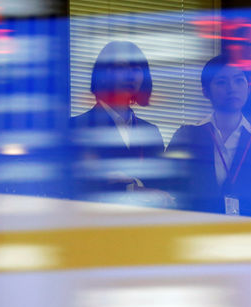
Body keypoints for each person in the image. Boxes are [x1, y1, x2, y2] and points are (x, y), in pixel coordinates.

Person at [166, 54, 251, 217]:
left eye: (239, 80)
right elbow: (167, 191)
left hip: (250, 235)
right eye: (221, 82)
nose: (232, 88)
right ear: (205, 92)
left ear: (248, 86)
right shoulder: (187, 136)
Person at [70, 41, 173, 207]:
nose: (131, 74)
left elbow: (162, 188)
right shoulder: (76, 127)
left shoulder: (151, 132)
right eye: (122, 67)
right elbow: (79, 185)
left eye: (137, 68)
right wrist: (133, 190)